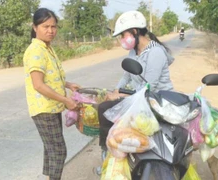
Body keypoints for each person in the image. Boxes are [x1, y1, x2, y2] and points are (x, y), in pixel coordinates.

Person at [96, 10, 175, 174]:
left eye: (123, 35)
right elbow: (126, 76)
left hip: (157, 100)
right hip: (140, 98)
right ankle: (108, 155)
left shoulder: (156, 52)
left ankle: (110, 153)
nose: (122, 40)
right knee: (107, 106)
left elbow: (149, 87)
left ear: (134, 31)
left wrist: (121, 95)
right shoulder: (134, 52)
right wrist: (115, 91)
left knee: (106, 110)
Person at [23, 8, 80, 180]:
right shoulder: (36, 50)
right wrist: (66, 100)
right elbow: (38, 85)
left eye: (53, 27)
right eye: (45, 26)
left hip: (51, 107)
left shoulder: (47, 48)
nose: (50, 31)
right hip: (44, 108)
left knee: (50, 149)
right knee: (58, 151)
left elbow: (50, 77)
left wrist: (68, 84)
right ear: (35, 27)